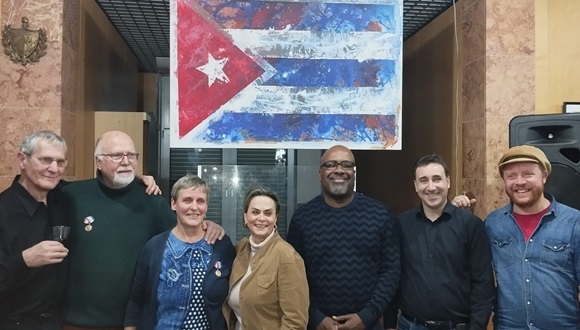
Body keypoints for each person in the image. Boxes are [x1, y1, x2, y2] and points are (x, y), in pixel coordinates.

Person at [61, 130, 224, 330]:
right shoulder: (73, 195)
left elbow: (185, 231)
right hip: (79, 321)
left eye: (131, 155)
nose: (126, 161)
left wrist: (208, 225)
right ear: (98, 162)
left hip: (133, 321)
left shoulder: (152, 200)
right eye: (116, 155)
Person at [453, 145, 580, 329]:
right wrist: (459, 219)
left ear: (544, 176)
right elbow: (466, 267)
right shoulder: (493, 224)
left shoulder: (574, 222)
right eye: (511, 176)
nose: (519, 182)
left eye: (528, 174)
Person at [287, 145, 400, 330]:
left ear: (354, 173)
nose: (339, 170)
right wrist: (315, 317)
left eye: (346, 165)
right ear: (320, 174)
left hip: (368, 324)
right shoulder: (302, 218)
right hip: (317, 325)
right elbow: (294, 276)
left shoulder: (380, 214)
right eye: (331, 165)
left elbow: (391, 271)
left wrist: (367, 315)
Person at [393, 154, 494, 330]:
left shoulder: (471, 225)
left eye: (437, 179)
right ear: (416, 186)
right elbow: (393, 275)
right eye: (423, 180)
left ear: (447, 182)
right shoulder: (402, 224)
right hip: (410, 325)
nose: (431, 187)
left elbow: (483, 284)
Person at [124, 175, 235, 329]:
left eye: (200, 201)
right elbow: (136, 300)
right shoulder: (154, 247)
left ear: (207, 207)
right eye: (187, 200)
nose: (194, 207)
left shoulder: (222, 246)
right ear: (173, 204)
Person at [0, 131, 69, 330]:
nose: (54, 169)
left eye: (60, 162)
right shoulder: (3, 210)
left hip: (56, 322)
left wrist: (135, 180)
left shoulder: (62, 197)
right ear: (22, 160)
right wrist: (24, 259)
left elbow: (101, 187)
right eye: (46, 160)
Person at [224, 186, 309, 329]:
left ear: (276, 218)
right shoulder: (241, 249)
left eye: (268, 213)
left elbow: (296, 322)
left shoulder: (287, 257)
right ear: (246, 216)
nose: (261, 218)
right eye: (255, 212)